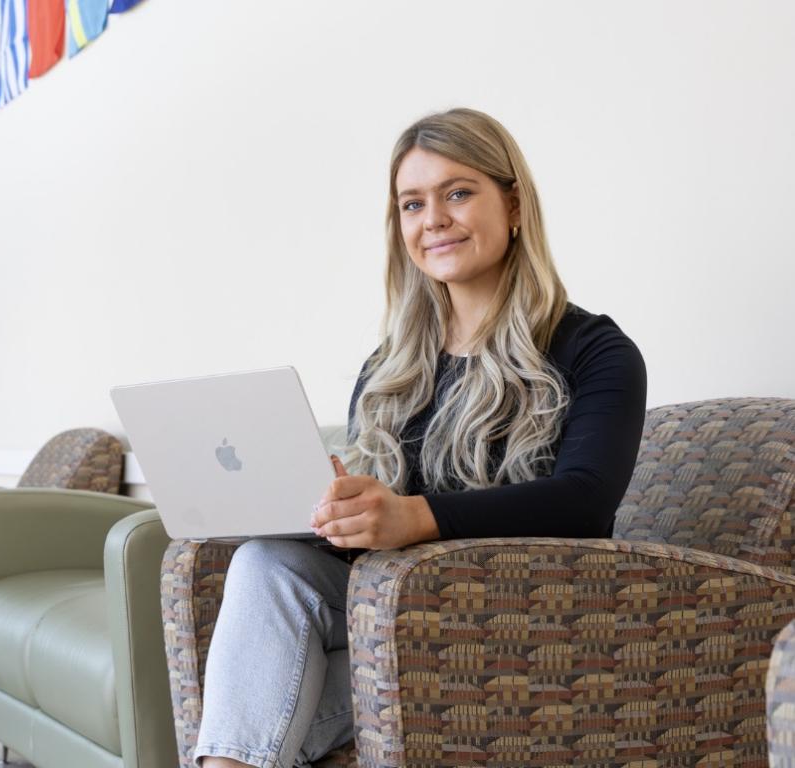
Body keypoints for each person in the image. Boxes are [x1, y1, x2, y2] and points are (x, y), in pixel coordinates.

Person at [193, 108, 647, 768]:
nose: (432, 219)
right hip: (394, 625)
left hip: (518, 628)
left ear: (514, 205)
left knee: (258, 716)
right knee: (267, 563)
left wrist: (413, 516)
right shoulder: (390, 369)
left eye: (458, 193)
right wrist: (337, 509)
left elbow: (584, 503)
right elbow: (371, 538)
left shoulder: (595, 350)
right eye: (412, 203)